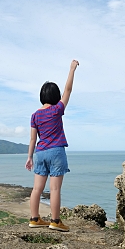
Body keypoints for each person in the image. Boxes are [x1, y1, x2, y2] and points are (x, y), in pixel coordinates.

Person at [25, 59, 79, 232]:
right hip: (56, 152)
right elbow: (68, 90)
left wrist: (29, 157)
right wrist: (72, 69)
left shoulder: (35, 115)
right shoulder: (57, 110)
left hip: (40, 153)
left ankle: (35, 218)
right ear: (55, 97)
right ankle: (55, 221)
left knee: (36, 189)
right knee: (54, 189)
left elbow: (33, 139)